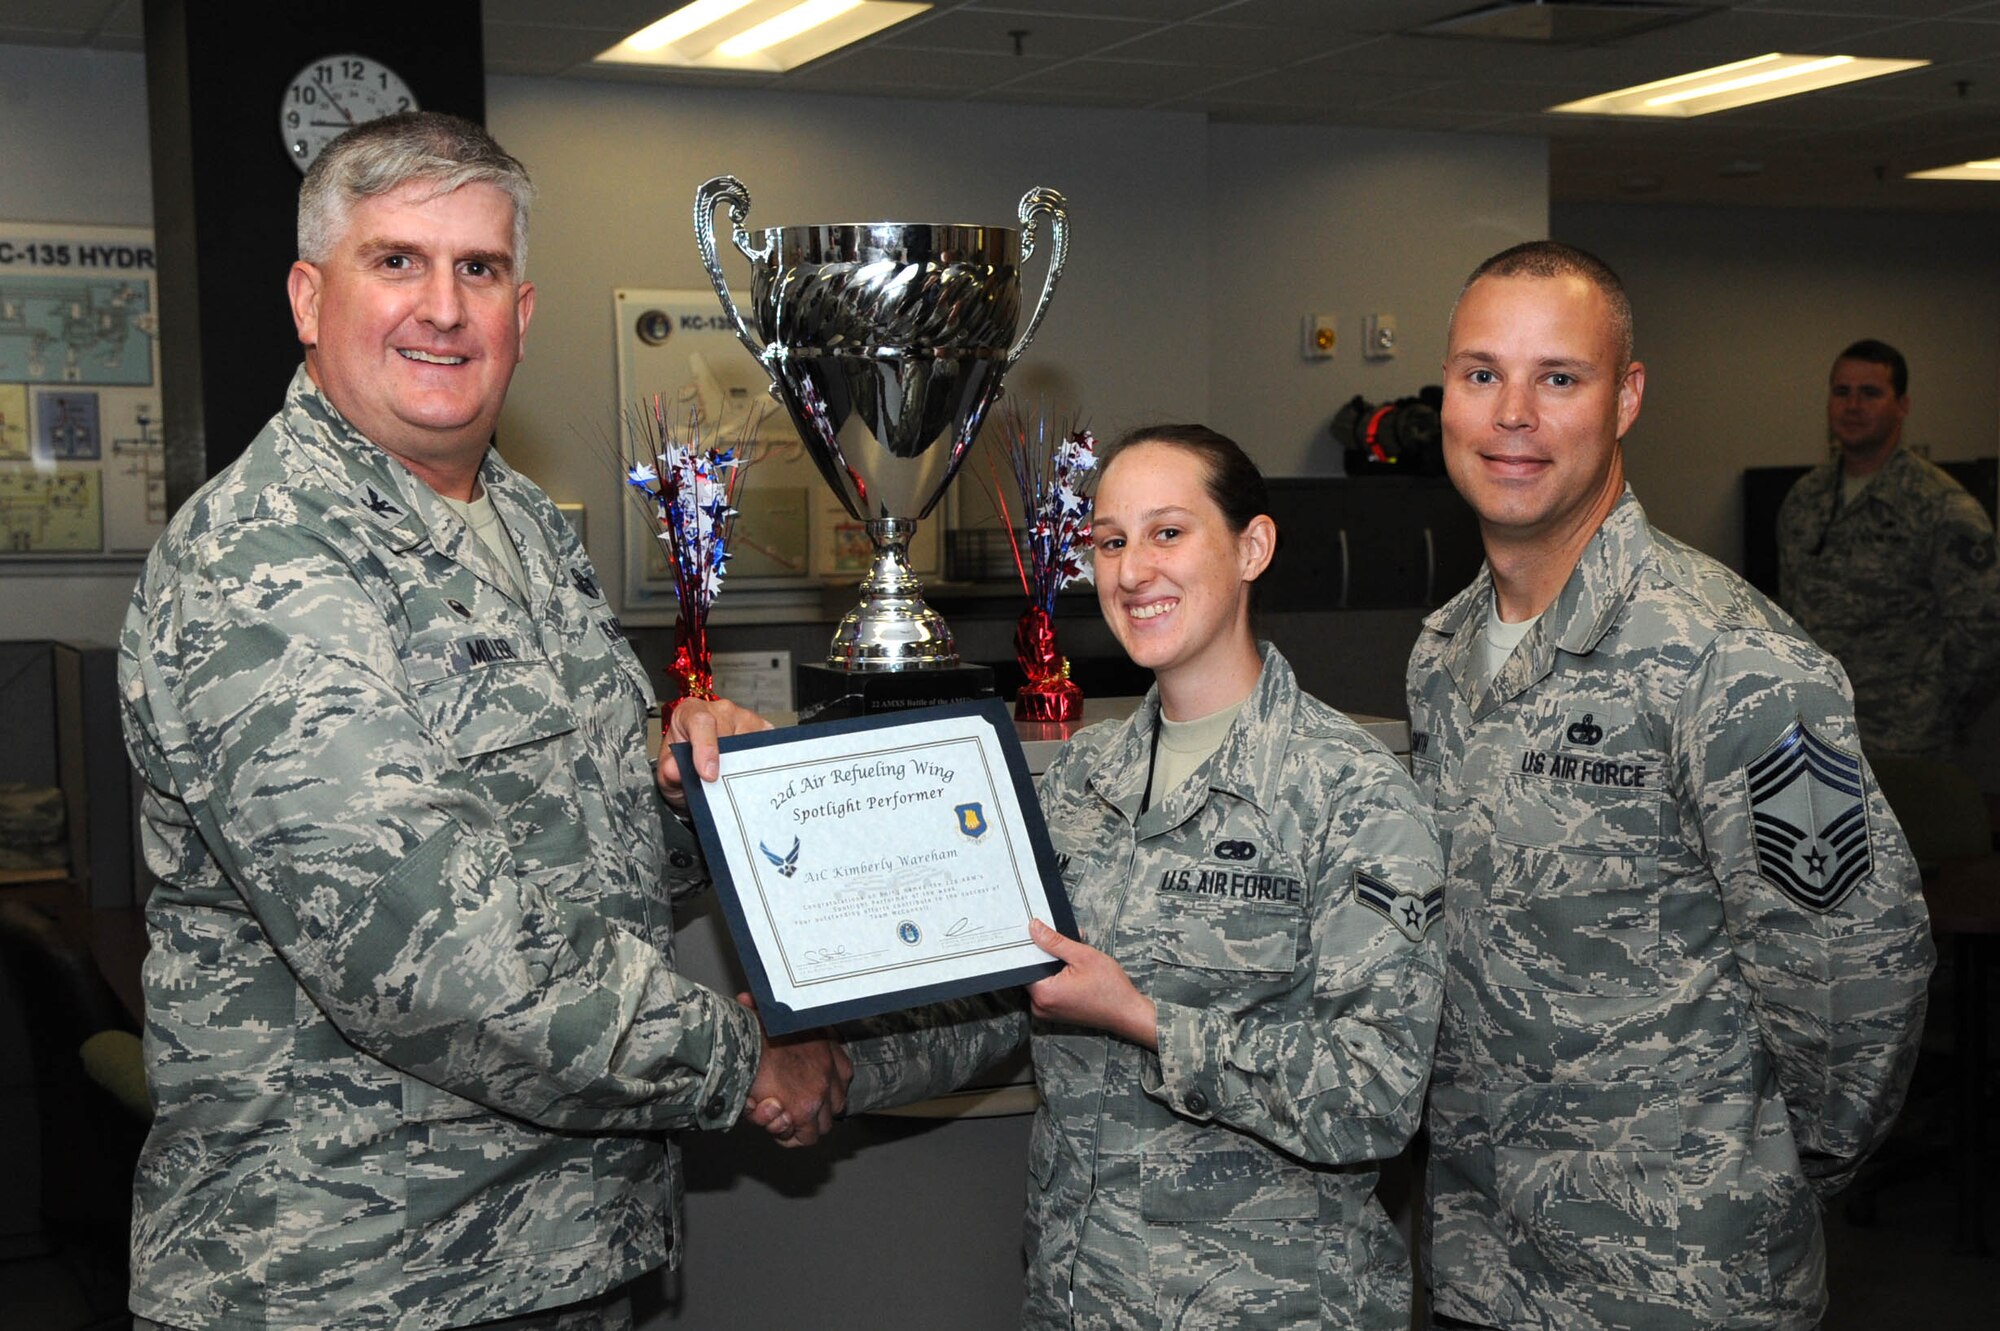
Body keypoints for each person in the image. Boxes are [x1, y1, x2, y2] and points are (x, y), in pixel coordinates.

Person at [117, 112, 847, 1331]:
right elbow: (429, 954)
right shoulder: (259, 560)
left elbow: (579, 846)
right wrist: (740, 1057)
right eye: (396, 261)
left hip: (556, 1252)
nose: (444, 308)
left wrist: (689, 789)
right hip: (350, 1276)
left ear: (523, 309)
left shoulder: (519, 524)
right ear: (309, 299)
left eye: (480, 268)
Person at [1407, 241, 1934, 1330]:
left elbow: (1854, 972)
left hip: (1676, 1279)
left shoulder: (1731, 660)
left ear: (1625, 398)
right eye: (1480, 373)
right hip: (1481, 1263)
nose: (1512, 414)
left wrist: (1783, 1166)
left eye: (1559, 377)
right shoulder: (1442, 655)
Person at [824, 425, 1446, 1329]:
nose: (1132, 570)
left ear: (1253, 548)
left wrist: (1147, 1021)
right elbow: (1001, 1000)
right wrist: (834, 1064)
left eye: (1168, 533)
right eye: (1111, 541)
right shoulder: (1081, 778)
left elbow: (1377, 1094)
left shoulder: (1351, 793)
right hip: (1078, 1295)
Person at [1776, 339, 2000, 762]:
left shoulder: (1943, 507)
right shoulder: (1804, 499)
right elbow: (1792, 615)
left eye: (1870, 393)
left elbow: (1983, 634)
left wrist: (1934, 710)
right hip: (1818, 733)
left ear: (1902, 406)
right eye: (1842, 392)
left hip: (1906, 744)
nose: (1853, 405)